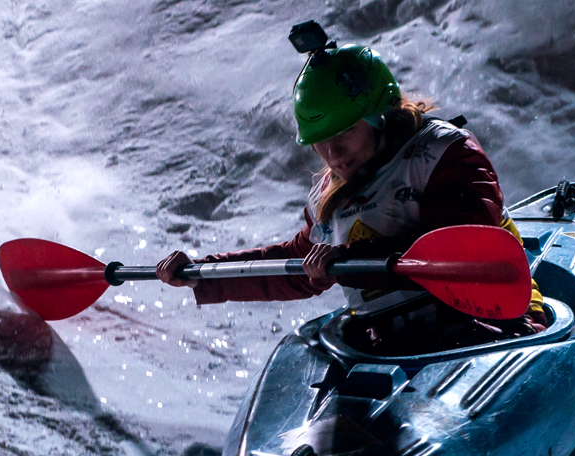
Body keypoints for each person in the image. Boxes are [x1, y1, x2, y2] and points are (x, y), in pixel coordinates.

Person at [157, 28, 547, 340]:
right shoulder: (332, 194)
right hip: (396, 343)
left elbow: (463, 249)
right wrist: (202, 272)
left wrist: (348, 262)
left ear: (380, 115)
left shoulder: (447, 154)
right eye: (319, 141)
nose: (332, 153)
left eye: (344, 132)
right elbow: (292, 266)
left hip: (492, 326)